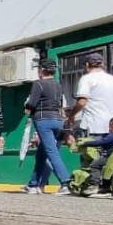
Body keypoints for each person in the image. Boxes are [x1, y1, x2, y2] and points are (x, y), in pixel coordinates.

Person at [24, 59, 72, 195]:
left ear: (41, 70)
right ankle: (33, 185)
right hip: (58, 120)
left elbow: (32, 104)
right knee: (41, 153)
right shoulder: (58, 85)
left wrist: (26, 108)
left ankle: (65, 183)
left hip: (43, 120)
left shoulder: (38, 84)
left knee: (51, 152)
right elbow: (61, 104)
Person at [68, 52, 113, 138]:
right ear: (102, 64)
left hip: (92, 128)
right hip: (112, 128)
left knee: (91, 151)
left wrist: (71, 116)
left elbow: (82, 102)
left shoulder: (86, 79)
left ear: (87, 65)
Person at [80, 115, 113, 196]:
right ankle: (106, 187)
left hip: (109, 158)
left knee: (94, 165)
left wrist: (86, 143)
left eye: (109, 127)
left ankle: (94, 185)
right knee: (105, 170)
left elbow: (100, 142)